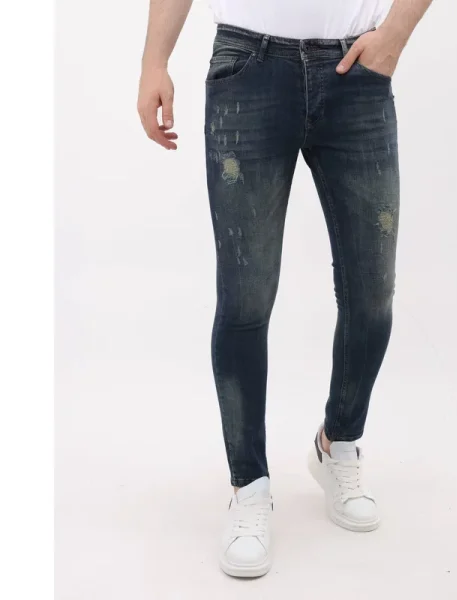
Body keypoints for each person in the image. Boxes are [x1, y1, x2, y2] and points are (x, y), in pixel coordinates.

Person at [138, 0, 433, 578]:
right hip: (247, 69)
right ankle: (248, 485)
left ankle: (337, 442)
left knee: (372, 294)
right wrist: (154, 61)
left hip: (357, 71)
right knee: (245, 298)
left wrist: (395, 35)